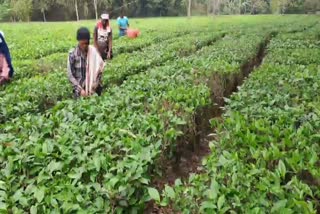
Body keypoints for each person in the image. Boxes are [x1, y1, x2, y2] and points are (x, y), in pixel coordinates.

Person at [68, 27, 105, 99]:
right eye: (83, 43)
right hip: (80, 90)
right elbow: (70, 76)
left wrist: (95, 84)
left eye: (87, 43)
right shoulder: (73, 54)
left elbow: (99, 70)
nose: (85, 46)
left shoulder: (93, 52)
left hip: (95, 89)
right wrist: (80, 90)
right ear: (78, 41)